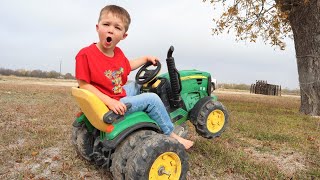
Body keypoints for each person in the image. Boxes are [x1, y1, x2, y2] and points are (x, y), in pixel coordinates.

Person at [75, 5, 193, 149]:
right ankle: (171, 133)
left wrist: (145, 59)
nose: (110, 29)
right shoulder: (85, 54)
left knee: (138, 85)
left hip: (116, 94)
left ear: (124, 36)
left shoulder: (117, 53)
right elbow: (84, 85)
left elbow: (126, 66)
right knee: (152, 99)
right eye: (106, 24)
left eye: (117, 28)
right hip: (108, 104)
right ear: (97, 27)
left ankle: (157, 115)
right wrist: (111, 102)